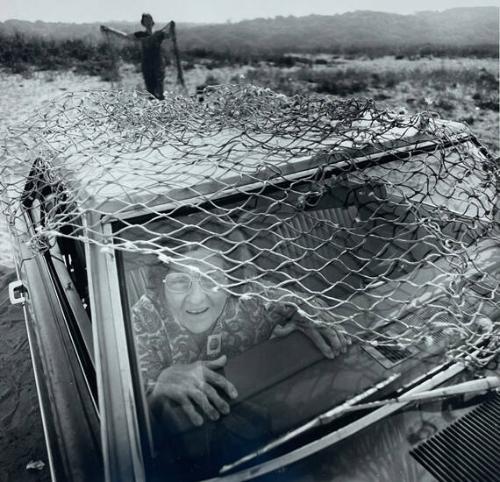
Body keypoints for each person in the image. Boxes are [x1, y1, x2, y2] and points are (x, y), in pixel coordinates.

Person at [131, 235, 350, 429]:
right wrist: (157, 388)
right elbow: (130, 422)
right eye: (179, 281)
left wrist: (306, 314)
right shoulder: (140, 321)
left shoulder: (249, 298)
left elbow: (302, 304)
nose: (197, 298)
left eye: (213, 278)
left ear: (231, 279)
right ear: (160, 285)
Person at [100, 13, 171, 100]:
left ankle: (161, 107)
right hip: (147, 63)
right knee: (150, 88)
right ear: (143, 23)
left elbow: (170, 35)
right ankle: (154, 108)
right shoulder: (141, 35)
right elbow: (126, 36)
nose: (148, 22)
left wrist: (171, 26)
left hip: (158, 63)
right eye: (145, 20)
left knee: (159, 88)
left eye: (149, 19)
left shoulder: (159, 34)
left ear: (152, 21)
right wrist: (110, 30)